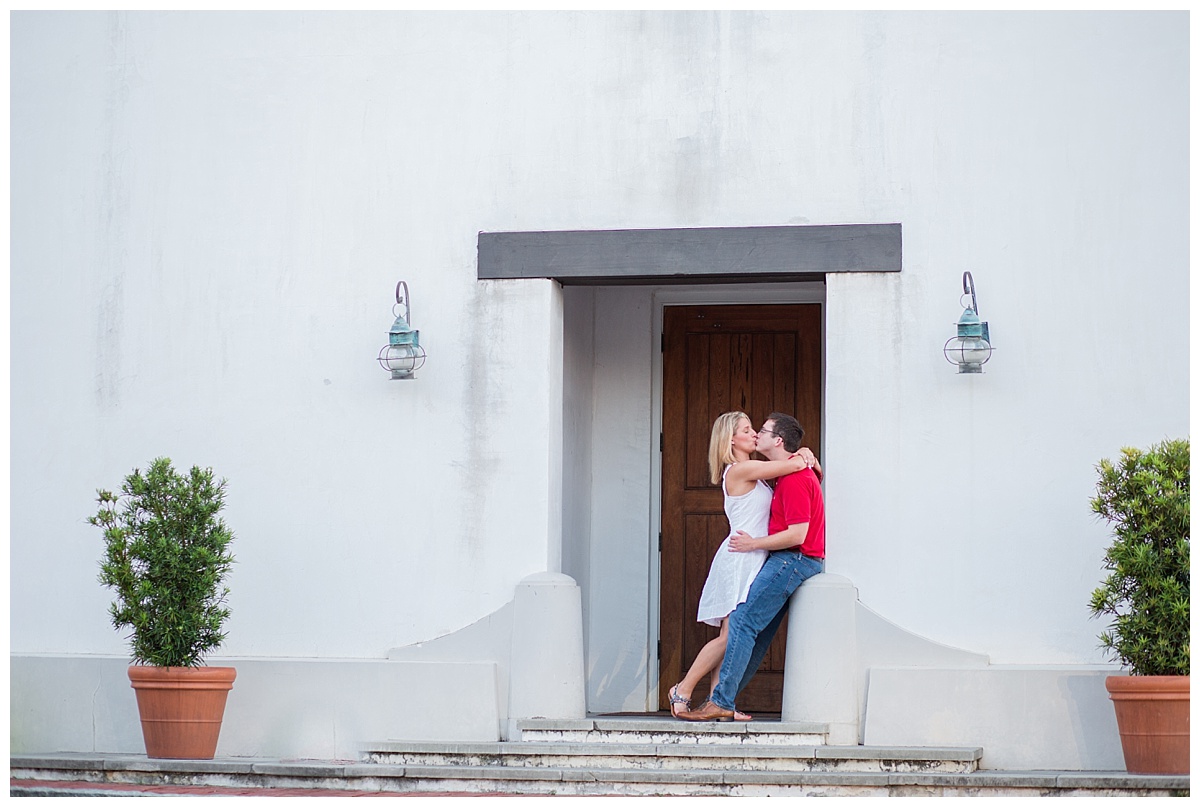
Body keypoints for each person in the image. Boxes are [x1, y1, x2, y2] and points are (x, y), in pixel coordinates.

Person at [667, 411, 821, 721]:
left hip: (755, 554)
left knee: (731, 634)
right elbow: (794, 464)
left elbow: (795, 469)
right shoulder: (742, 469)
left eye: (756, 430)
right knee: (729, 635)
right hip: (741, 557)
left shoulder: (759, 473)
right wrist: (805, 454)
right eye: (748, 430)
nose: (754, 434)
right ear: (731, 440)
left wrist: (806, 455)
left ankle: (719, 701)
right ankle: (682, 690)